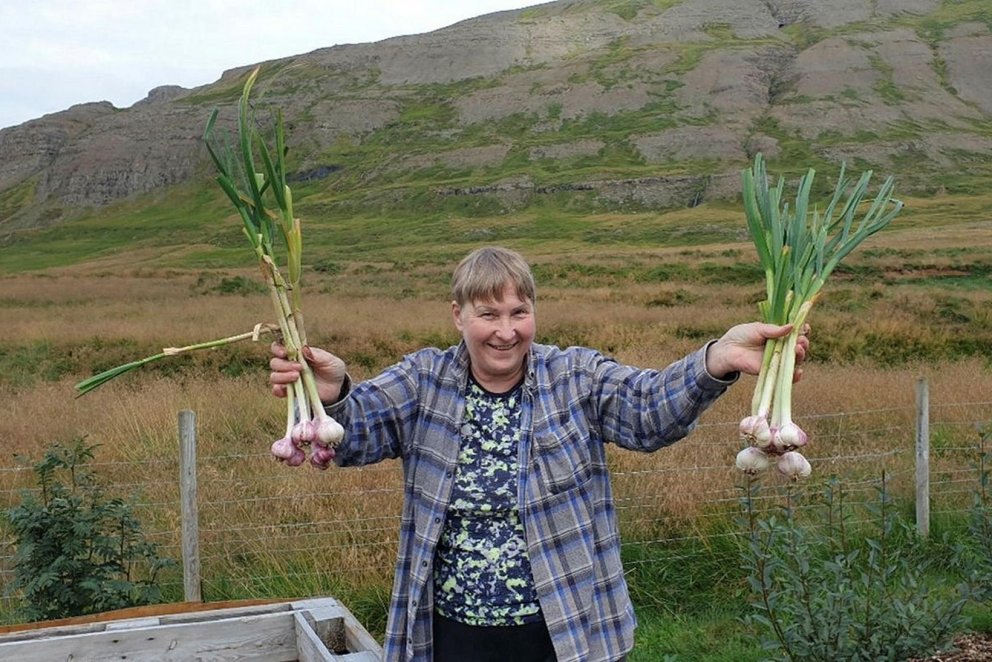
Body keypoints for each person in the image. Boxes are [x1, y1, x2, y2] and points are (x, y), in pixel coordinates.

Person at [269, 246, 809, 662]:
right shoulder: (423, 380)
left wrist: (718, 359)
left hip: (565, 627)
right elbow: (360, 430)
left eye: (518, 312)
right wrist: (335, 394)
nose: (506, 332)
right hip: (453, 633)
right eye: (488, 314)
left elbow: (649, 412)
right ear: (458, 316)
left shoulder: (574, 376)